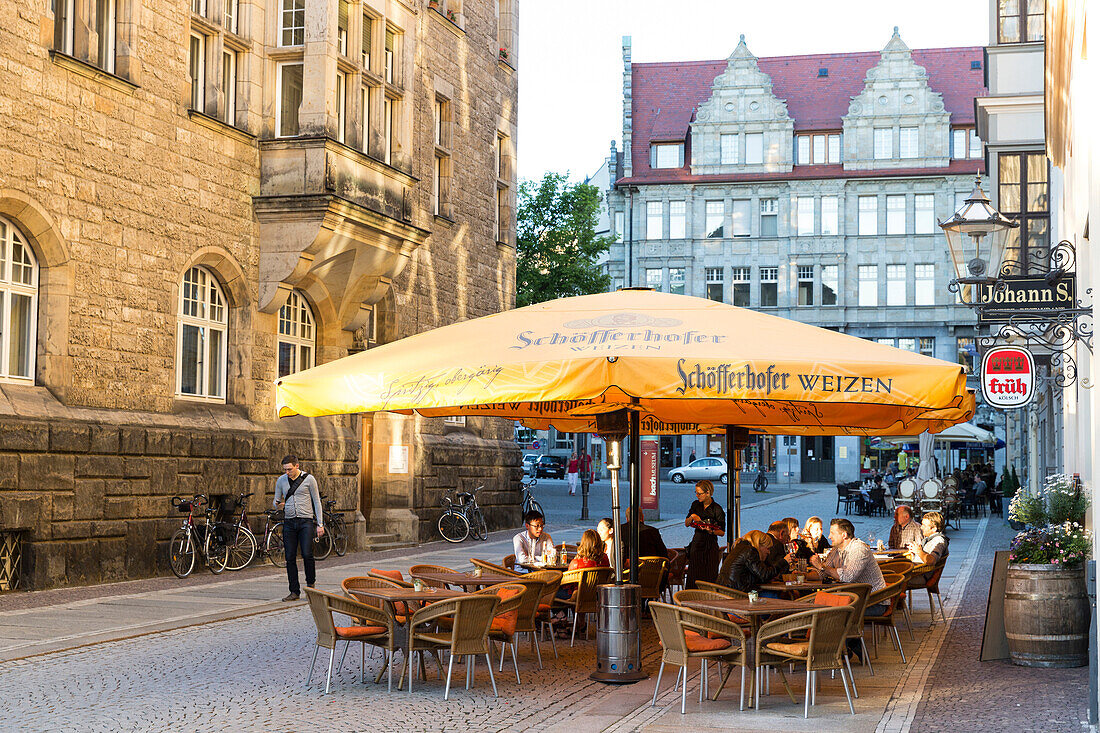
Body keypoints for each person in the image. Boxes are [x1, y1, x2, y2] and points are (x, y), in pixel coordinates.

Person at [273, 455, 324, 602]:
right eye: (285, 470)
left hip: (305, 521)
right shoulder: (281, 480)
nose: (287, 472)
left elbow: (316, 502)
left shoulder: (309, 479)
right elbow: (275, 501)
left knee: (307, 554)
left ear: (296, 466)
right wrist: (277, 504)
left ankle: (310, 585)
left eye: (289, 469)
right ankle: (294, 591)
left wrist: (320, 524)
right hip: (289, 522)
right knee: (289, 557)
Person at [811, 518, 886, 594]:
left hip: (873, 599)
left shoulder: (859, 549)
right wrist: (802, 576)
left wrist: (821, 567)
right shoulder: (836, 549)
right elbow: (824, 572)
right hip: (852, 597)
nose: (829, 537)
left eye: (832, 533)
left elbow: (847, 577)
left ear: (844, 535)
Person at [684, 480, 725, 588]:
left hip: (710, 545)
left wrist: (709, 529)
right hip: (697, 543)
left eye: (700, 493)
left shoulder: (717, 509)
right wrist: (692, 516)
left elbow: (722, 532)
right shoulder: (696, 505)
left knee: (709, 576)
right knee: (693, 575)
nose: (697, 495)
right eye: (696, 493)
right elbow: (686, 524)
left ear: (708, 493)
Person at [720, 530, 788, 592]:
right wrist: (784, 561)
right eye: (768, 548)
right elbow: (764, 575)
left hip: (725, 591)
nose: (769, 552)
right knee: (779, 596)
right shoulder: (750, 551)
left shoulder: (740, 548)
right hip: (737, 595)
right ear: (759, 545)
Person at [906, 510, 949, 584]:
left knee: (892, 578)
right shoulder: (928, 539)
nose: (921, 527)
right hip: (915, 572)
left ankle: (897, 595)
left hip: (920, 576)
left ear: (934, 528)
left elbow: (931, 561)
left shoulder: (939, 541)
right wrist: (913, 554)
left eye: (924, 525)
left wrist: (919, 551)